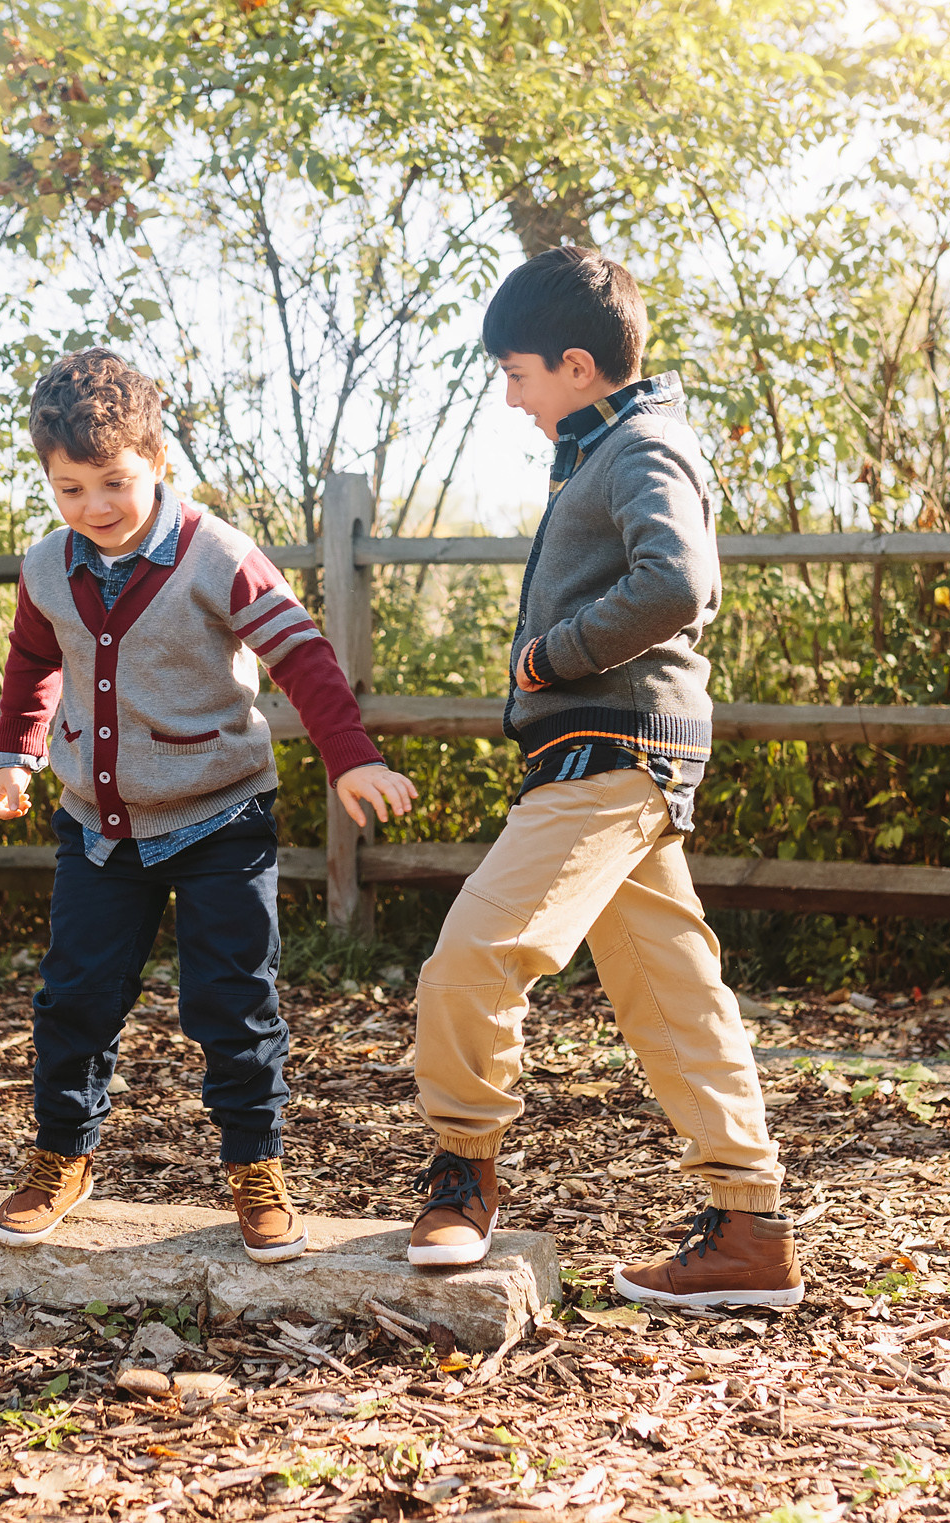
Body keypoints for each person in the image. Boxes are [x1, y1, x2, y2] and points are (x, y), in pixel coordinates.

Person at [402, 246, 801, 1308]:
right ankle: (748, 1231)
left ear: (577, 365)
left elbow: (679, 581)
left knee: (473, 955)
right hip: (611, 755)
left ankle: (461, 1171)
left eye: (517, 372)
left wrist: (554, 655)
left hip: (612, 749)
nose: (509, 395)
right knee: (672, 992)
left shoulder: (639, 444)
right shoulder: (603, 447)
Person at [0, 348, 418, 1262]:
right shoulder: (48, 566)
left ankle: (255, 1171)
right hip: (97, 829)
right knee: (74, 997)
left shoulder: (215, 554)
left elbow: (300, 654)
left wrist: (349, 757)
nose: (95, 506)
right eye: (70, 488)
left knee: (234, 999)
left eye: (115, 482)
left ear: (160, 464)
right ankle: (62, 1153)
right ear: (47, 483)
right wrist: (19, 756)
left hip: (221, 816)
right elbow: (34, 662)